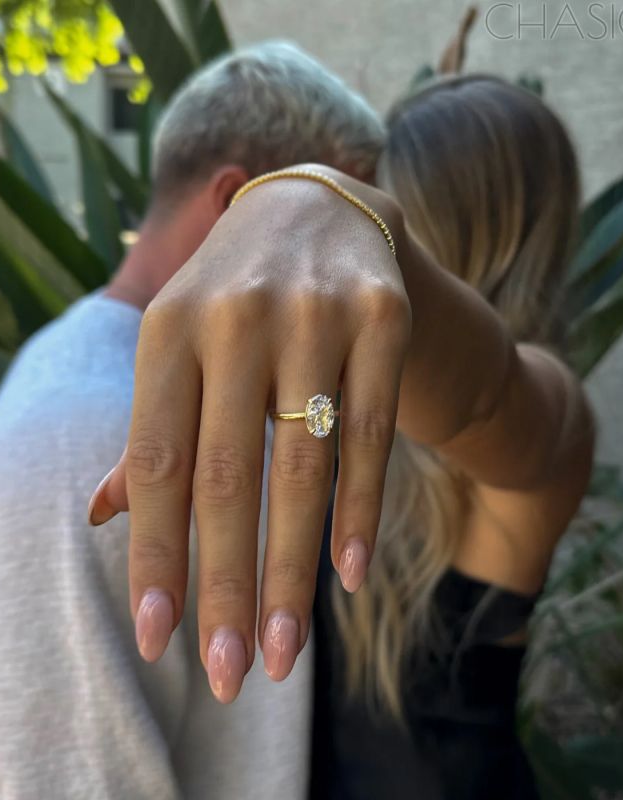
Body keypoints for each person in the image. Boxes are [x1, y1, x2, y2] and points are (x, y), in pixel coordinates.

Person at [90, 75, 594, 799]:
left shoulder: (553, 412)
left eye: (386, 196)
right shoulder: (331, 388)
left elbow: (485, 398)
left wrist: (329, 206)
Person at [0, 42, 385, 800]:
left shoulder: (226, 386)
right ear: (242, 206)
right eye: (340, 232)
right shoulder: (72, 433)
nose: (362, 282)